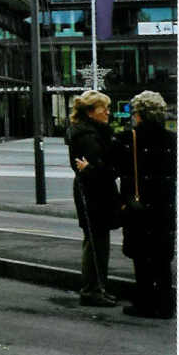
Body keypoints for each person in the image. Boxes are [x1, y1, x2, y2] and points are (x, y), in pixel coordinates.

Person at [114, 91, 176, 318]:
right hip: (164, 208)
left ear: (139, 114)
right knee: (162, 259)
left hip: (137, 206)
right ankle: (166, 304)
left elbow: (113, 167)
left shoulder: (128, 139)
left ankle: (145, 303)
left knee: (142, 258)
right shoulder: (172, 139)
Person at [68, 90, 120, 307]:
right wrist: (105, 168)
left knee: (95, 241)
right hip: (94, 193)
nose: (108, 112)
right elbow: (104, 168)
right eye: (103, 108)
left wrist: (98, 168)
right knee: (97, 242)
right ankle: (92, 290)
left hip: (91, 191)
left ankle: (96, 288)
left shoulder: (89, 132)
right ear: (91, 112)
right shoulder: (89, 136)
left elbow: (98, 166)